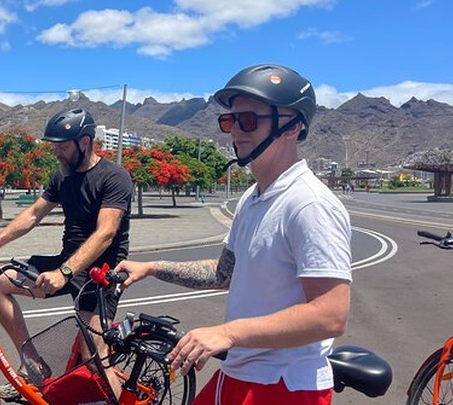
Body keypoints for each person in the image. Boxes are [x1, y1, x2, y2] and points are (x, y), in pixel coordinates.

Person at [116, 64, 352, 405]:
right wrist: (151, 267)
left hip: (282, 386)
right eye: (230, 121)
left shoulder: (308, 204)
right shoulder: (254, 196)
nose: (236, 132)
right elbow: (224, 272)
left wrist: (226, 333)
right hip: (240, 372)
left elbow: (330, 314)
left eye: (249, 120)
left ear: (293, 125)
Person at [0, 107, 132, 398]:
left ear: (85, 142)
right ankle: (34, 365)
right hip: (68, 262)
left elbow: (105, 233)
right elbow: (34, 214)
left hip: (102, 274)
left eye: (62, 146)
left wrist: (64, 273)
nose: (56, 153)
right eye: (54, 146)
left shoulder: (114, 177)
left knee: (95, 360)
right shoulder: (62, 177)